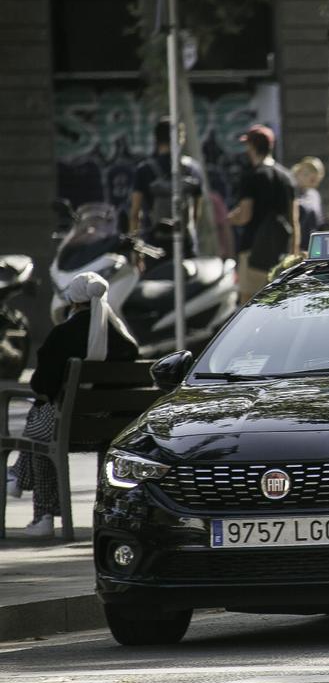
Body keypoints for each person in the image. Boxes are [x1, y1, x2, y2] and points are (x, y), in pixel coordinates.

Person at [8, 273, 138, 536]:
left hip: (67, 430)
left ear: (74, 302)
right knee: (43, 417)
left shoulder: (63, 334)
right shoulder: (124, 338)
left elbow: (40, 386)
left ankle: (40, 511)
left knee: (39, 423)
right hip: (112, 432)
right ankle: (18, 479)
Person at [227, 124, 299, 303]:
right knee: (278, 304)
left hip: (253, 252)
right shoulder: (286, 177)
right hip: (280, 252)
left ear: (251, 147)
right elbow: (294, 219)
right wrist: (294, 252)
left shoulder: (252, 176)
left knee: (249, 304)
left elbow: (245, 216)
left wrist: (232, 218)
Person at [128, 117, 203, 258]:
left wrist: (136, 251)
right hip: (185, 245)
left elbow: (134, 213)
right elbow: (196, 214)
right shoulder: (193, 169)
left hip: (154, 247)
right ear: (180, 139)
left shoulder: (144, 170)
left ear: (156, 139)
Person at [291, 156, 327, 251]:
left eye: (314, 178)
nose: (309, 178)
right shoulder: (289, 189)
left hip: (310, 247)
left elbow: (319, 224)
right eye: (305, 174)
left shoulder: (313, 195)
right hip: (292, 246)